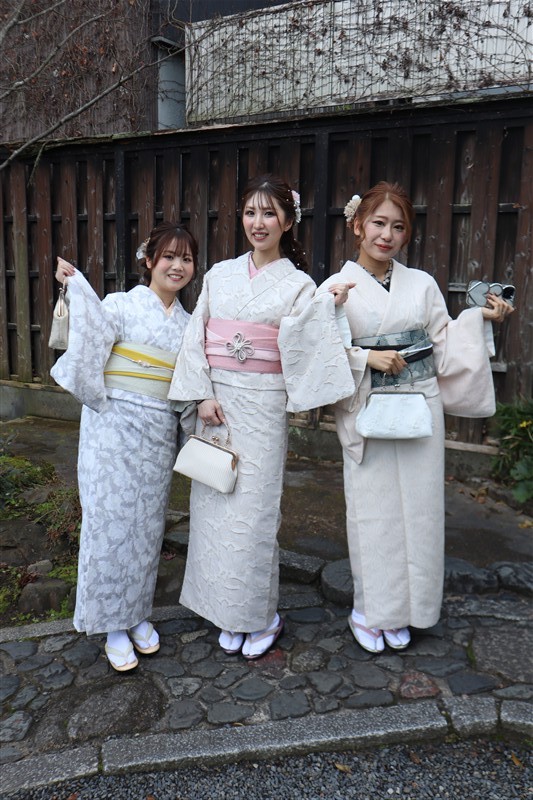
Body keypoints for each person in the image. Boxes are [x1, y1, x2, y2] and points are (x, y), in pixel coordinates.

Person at [319, 182, 515, 654]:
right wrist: (365, 358)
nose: (386, 235)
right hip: (368, 407)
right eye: (378, 223)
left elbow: (443, 344)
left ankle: (414, 608)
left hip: (420, 405)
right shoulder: (336, 288)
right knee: (374, 511)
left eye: (398, 226)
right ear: (358, 225)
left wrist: (481, 319)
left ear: (407, 234)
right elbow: (314, 352)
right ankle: (371, 610)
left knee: (421, 510)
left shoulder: (422, 284)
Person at [168, 174, 355, 660]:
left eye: (269, 213)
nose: (258, 222)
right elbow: (196, 335)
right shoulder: (219, 275)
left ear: (288, 221)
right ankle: (222, 611)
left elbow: (304, 340)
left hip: (264, 406)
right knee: (212, 511)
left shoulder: (299, 284)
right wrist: (201, 394)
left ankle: (258, 616)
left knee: (253, 516)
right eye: (251, 212)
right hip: (216, 405)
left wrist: (326, 307)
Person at [50, 222, 197, 671]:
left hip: (158, 432)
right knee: (109, 525)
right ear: (149, 261)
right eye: (168, 256)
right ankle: (112, 625)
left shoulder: (188, 324)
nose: (177, 266)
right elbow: (92, 333)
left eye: (186, 258)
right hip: (112, 426)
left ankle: (136, 615)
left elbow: (192, 377)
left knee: (147, 529)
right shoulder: (119, 304)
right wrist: (76, 287)